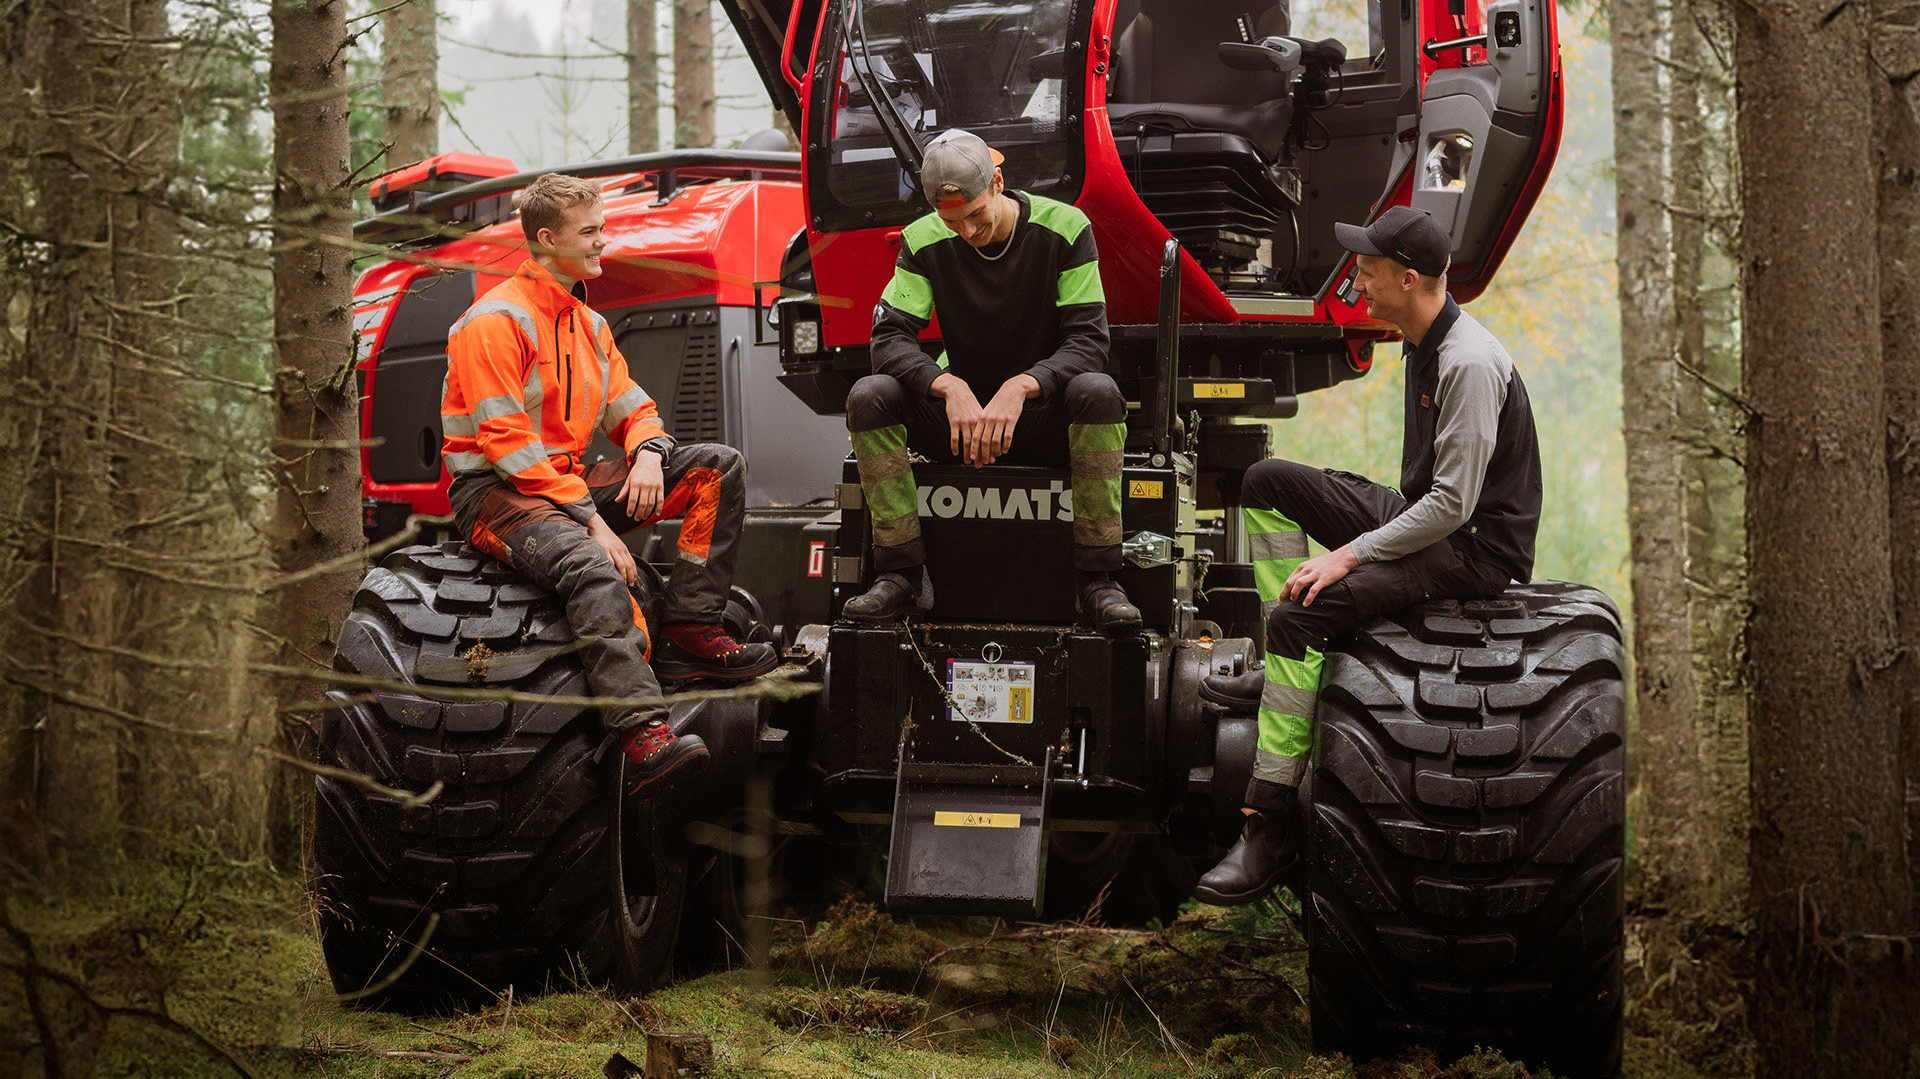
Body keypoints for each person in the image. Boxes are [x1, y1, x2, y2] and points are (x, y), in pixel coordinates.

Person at [1193, 205, 1542, 904]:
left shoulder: (1468, 362)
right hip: (1430, 519)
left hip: (1471, 550)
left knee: (1303, 613)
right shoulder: (1422, 338)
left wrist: (1347, 555)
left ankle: (1268, 825)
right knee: (1265, 484)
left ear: (1407, 279)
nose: (1358, 276)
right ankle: (1277, 667)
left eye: (1370, 268)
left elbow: (1453, 506)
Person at [440, 172, 778, 797]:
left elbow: (634, 407)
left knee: (716, 467)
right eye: (590, 232)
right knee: (596, 568)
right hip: (494, 494)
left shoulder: (588, 326)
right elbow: (507, 446)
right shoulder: (492, 322)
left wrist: (648, 454)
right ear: (546, 241)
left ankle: (689, 631)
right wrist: (592, 523)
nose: (604, 241)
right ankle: (642, 734)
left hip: (564, 483)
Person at [841, 129, 1140, 632]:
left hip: (1038, 420)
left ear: (998, 182)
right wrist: (948, 387)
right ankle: (902, 575)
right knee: (870, 396)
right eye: (951, 221)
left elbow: (1088, 342)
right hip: (961, 423)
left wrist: (1024, 384)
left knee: (1098, 391)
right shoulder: (922, 240)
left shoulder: (1065, 228)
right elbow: (888, 340)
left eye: (976, 215)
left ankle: (1099, 580)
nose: (967, 232)